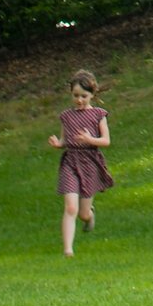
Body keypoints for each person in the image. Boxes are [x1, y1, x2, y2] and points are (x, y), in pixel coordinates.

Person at [47, 69, 113, 256]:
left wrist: (90, 139)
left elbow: (106, 141)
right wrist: (57, 143)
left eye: (84, 96)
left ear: (92, 94)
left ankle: (89, 216)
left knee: (82, 213)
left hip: (90, 162)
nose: (79, 100)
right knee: (70, 207)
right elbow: (65, 140)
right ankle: (68, 249)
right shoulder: (66, 116)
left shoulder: (99, 114)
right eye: (76, 95)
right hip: (70, 162)